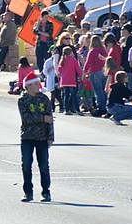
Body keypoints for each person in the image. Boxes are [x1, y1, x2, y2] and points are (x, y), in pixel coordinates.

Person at [17, 72, 54, 203]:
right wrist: (42, 118)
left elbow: (50, 119)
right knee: (26, 165)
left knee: (44, 166)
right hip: (27, 137)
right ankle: (28, 192)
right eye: (34, 84)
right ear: (28, 86)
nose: (38, 86)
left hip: (42, 137)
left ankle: (46, 192)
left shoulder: (44, 99)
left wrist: (51, 137)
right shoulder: (23, 100)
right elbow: (26, 118)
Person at [83, 35, 108, 116]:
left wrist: (84, 73)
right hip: (104, 71)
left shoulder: (93, 51)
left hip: (95, 72)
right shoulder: (104, 51)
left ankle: (101, 107)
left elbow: (88, 63)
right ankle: (106, 106)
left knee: (98, 91)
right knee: (104, 91)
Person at [58, 46, 83, 115]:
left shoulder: (62, 61)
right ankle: (77, 110)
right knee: (74, 95)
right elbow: (78, 70)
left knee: (66, 95)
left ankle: (66, 110)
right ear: (71, 52)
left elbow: (59, 69)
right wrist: (81, 77)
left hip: (64, 81)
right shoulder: (73, 60)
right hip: (72, 80)